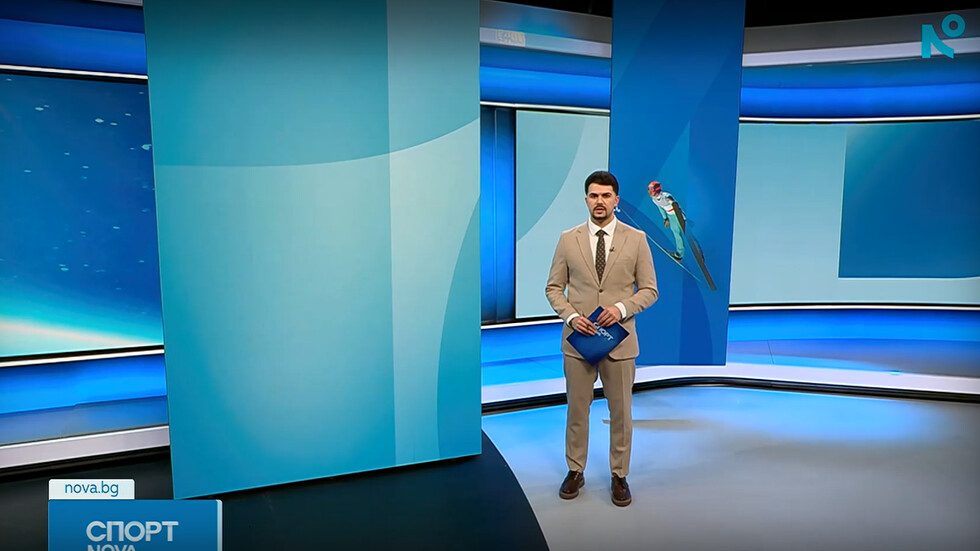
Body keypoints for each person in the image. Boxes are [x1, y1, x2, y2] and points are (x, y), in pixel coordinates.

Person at [545, 170, 659, 507]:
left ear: (616, 200)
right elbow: (554, 288)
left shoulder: (636, 239)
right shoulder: (568, 239)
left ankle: (619, 475)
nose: (600, 201)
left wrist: (621, 308)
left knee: (621, 412)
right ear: (586, 200)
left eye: (606, 196)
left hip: (619, 343)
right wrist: (571, 316)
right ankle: (575, 470)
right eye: (594, 195)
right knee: (576, 410)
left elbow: (650, 290)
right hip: (578, 343)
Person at [648, 181, 685, 261]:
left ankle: (697, 247)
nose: (650, 192)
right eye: (649, 190)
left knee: (686, 230)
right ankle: (679, 254)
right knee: (676, 234)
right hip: (671, 216)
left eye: (651, 190)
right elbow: (661, 209)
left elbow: (674, 204)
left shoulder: (665, 196)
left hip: (677, 214)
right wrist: (665, 218)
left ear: (656, 190)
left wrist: (682, 215)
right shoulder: (654, 200)